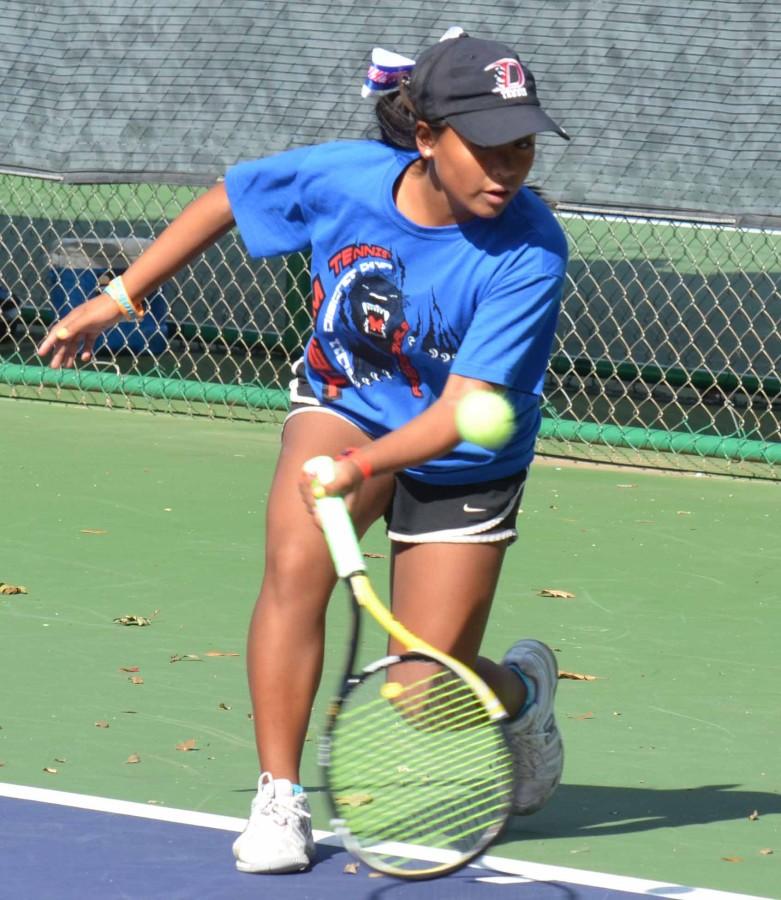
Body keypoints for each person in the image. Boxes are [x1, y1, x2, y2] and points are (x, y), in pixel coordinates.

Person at [38, 30, 571, 875]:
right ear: (428, 137)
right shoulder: (342, 178)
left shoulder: (531, 251)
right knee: (295, 564)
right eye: (488, 148)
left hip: (459, 454)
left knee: (423, 694)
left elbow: (465, 413)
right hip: (347, 403)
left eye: (523, 148)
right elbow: (229, 196)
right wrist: (119, 294)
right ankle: (278, 796)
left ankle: (522, 698)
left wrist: (361, 472)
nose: (508, 168)